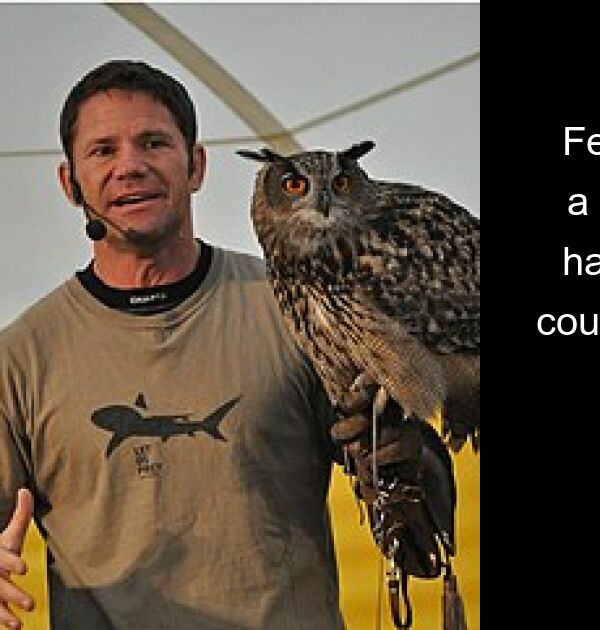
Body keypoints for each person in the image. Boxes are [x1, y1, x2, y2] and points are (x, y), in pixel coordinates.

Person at [0, 60, 347, 629]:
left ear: (196, 166)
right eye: (103, 150)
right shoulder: (20, 358)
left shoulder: (298, 308)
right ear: (70, 184)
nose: (129, 166)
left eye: (154, 142)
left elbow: (396, 472)